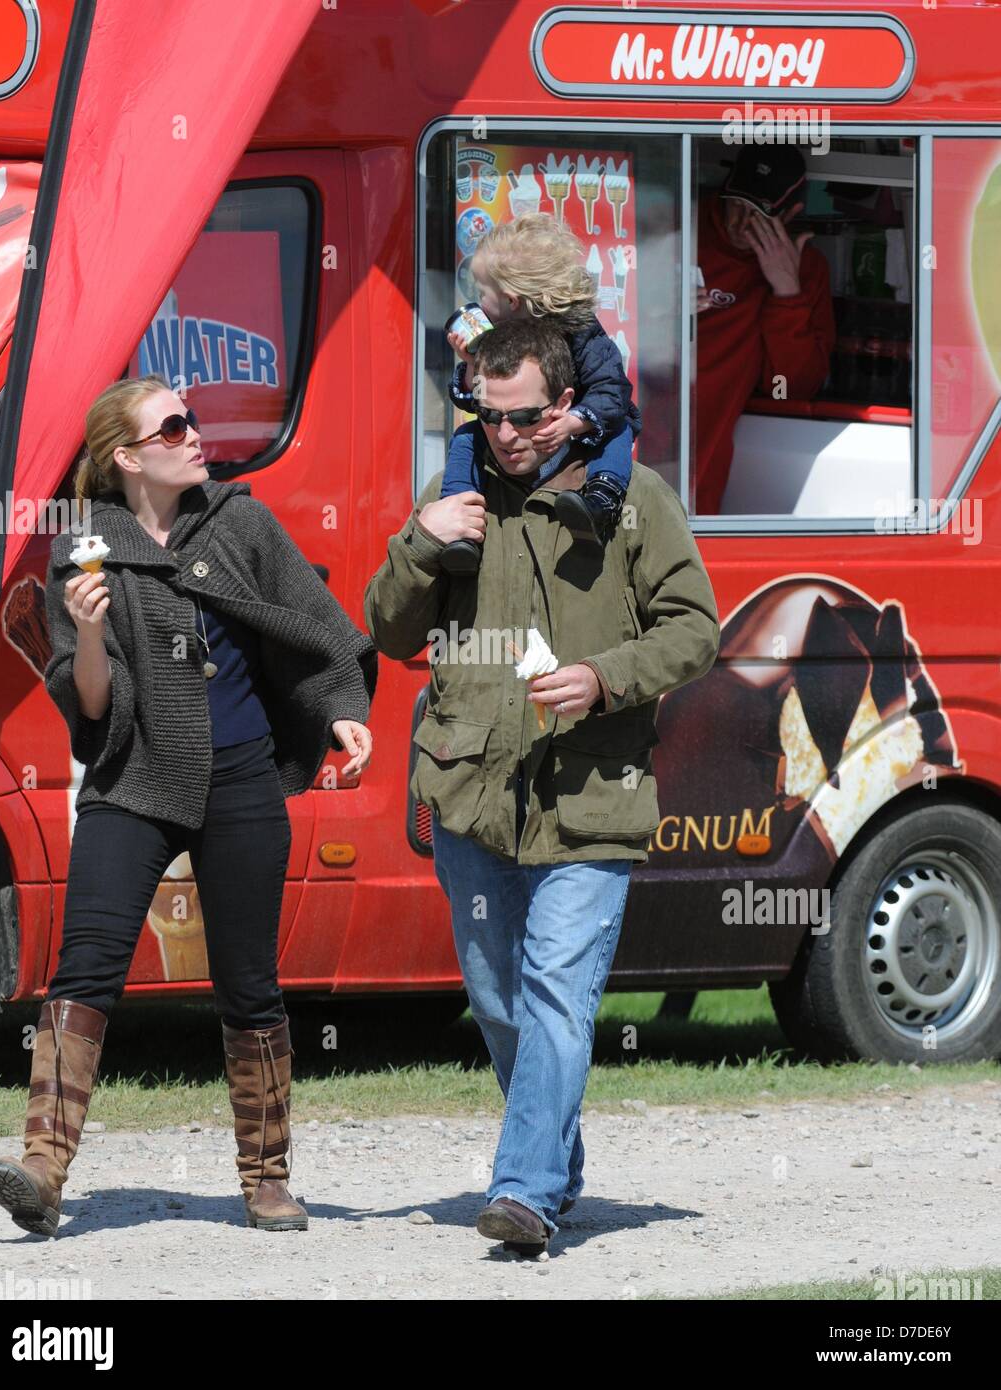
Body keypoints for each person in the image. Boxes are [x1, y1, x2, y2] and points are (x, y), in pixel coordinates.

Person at [0, 374, 376, 1238]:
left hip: (239, 779)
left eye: (192, 420)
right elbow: (90, 707)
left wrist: (343, 710)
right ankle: (43, 1168)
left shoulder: (238, 520)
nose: (194, 434)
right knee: (85, 969)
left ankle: (267, 1177)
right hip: (136, 778)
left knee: (249, 984)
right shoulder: (86, 547)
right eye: (173, 426)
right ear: (127, 456)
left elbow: (318, 626)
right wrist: (88, 632)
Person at [364, 318, 719, 1253]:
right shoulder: (455, 502)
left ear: (566, 406)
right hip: (469, 799)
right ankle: (553, 1159)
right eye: (488, 417)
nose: (506, 435)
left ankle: (522, 1188)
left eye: (525, 417)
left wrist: (605, 678)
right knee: (497, 1002)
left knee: (558, 992)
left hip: (591, 799)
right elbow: (391, 635)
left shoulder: (634, 496)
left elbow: (694, 631)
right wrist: (416, 541)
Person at [441, 212, 640, 572]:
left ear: (512, 301)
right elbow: (475, 401)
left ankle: (600, 502)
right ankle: (457, 518)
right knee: (467, 436)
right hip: (527, 434)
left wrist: (574, 422)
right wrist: (471, 363)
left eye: (482, 293)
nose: (478, 303)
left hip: (579, 429)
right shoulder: (495, 335)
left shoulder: (581, 332)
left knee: (618, 432)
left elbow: (613, 391)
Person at [695, 145, 835, 514]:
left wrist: (787, 293)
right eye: (736, 204)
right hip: (640, 431)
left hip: (706, 465)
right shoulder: (679, 227)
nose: (740, 222)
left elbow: (789, 390)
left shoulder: (805, 269)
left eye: (759, 214)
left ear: (791, 214)